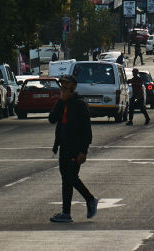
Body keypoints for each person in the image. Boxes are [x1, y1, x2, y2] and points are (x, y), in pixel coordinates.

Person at [47, 74, 98, 223]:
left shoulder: (80, 104)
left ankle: (90, 199)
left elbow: (87, 131)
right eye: (62, 85)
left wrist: (83, 151)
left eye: (66, 85)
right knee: (66, 179)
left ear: (73, 87)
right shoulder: (62, 103)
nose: (63, 88)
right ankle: (66, 213)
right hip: (64, 147)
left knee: (71, 177)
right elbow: (52, 119)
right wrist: (60, 101)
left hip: (75, 148)